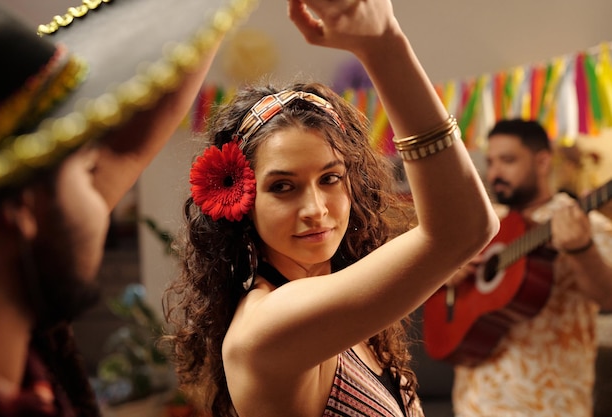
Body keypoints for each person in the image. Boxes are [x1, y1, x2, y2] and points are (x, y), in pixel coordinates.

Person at [163, 1, 499, 416]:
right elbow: (463, 229)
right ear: (243, 202)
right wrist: (384, 45)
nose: (316, 209)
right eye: (283, 187)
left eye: (330, 178)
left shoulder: (344, 303)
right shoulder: (267, 327)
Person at [0, 0, 254, 415]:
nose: (103, 180)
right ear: (22, 209)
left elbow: (128, 147)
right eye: (85, 167)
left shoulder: (29, 346)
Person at [448, 119, 612, 416]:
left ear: (542, 161)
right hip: (472, 405)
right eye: (492, 162)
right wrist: (446, 277)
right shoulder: (485, 227)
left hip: (551, 406)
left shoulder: (585, 223)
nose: (495, 172)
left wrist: (582, 250)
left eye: (508, 160)